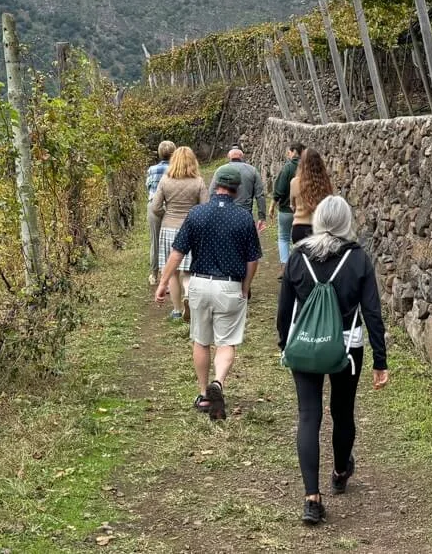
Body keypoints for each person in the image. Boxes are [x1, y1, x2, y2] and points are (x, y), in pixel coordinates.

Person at [275, 195, 389, 526]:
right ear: (346, 222)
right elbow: (372, 312)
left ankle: (312, 499)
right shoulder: (358, 259)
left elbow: (284, 309)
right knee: (342, 410)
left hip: (305, 345)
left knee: (308, 415)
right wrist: (380, 360)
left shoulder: (298, 256)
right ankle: (340, 471)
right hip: (346, 347)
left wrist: (284, 343)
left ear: (318, 220)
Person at [155, 163, 262, 420]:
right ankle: (219, 382)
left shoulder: (197, 214)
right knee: (226, 342)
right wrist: (245, 287)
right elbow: (252, 259)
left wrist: (163, 283)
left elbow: (178, 252)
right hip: (229, 285)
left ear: (215, 186)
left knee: (201, 340)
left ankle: (204, 394)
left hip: (200, 283)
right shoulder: (244, 218)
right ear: (236, 190)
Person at [149, 146, 207, 321]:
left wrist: (166, 214)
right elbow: (205, 208)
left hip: (169, 227)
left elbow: (155, 207)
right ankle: (188, 294)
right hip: (192, 229)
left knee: (173, 272)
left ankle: (176, 310)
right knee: (188, 271)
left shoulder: (165, 180)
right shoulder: (198, 182)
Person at [212, 145, 267, 232]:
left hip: (224, 214)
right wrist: (262, 217)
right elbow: (260, 196)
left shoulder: (220, 170)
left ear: (229, 156)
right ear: (242, 156)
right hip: (245, 215)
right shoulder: (252, 171)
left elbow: (212, 193)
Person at [145, 140, 176, 286]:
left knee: (155, 241)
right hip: (171, 207)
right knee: (172, 241)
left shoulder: (152, 169)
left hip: (154, 206)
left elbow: (148, 187)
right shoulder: (176, 170)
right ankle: (170, 276)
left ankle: (154, 274)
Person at [288, 149, 333, 245]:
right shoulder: (325, 183)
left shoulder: (295, 182)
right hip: (319, 229)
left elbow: (292, 205)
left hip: (299, 228)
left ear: (302, 164)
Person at [272, 143, 304, 264]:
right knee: (300, 239)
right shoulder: (307, 168)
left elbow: (279, 190)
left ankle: (285, 266)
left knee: (284, 237)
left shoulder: (288, 168)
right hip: (303, 212)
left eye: (289, 152)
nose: (288, 155)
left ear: (294, 152)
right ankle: (298, 265)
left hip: (286, 210)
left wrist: (272, 206)